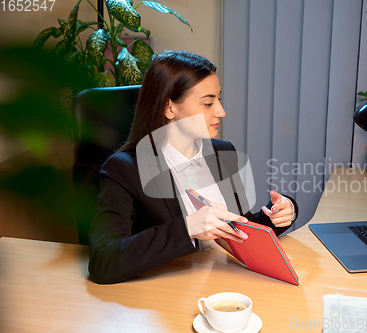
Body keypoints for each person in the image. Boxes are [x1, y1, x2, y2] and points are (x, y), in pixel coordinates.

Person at [88, 51, 298, 284]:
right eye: (208, 103)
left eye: (218, 99)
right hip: (169, 299)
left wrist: (277, 214)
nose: (221, 111)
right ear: (170, 108)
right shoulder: (124, 169)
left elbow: (240, 230)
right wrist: (188, 227)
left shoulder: (224, 153)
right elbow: (103, 261)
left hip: (228, 287)